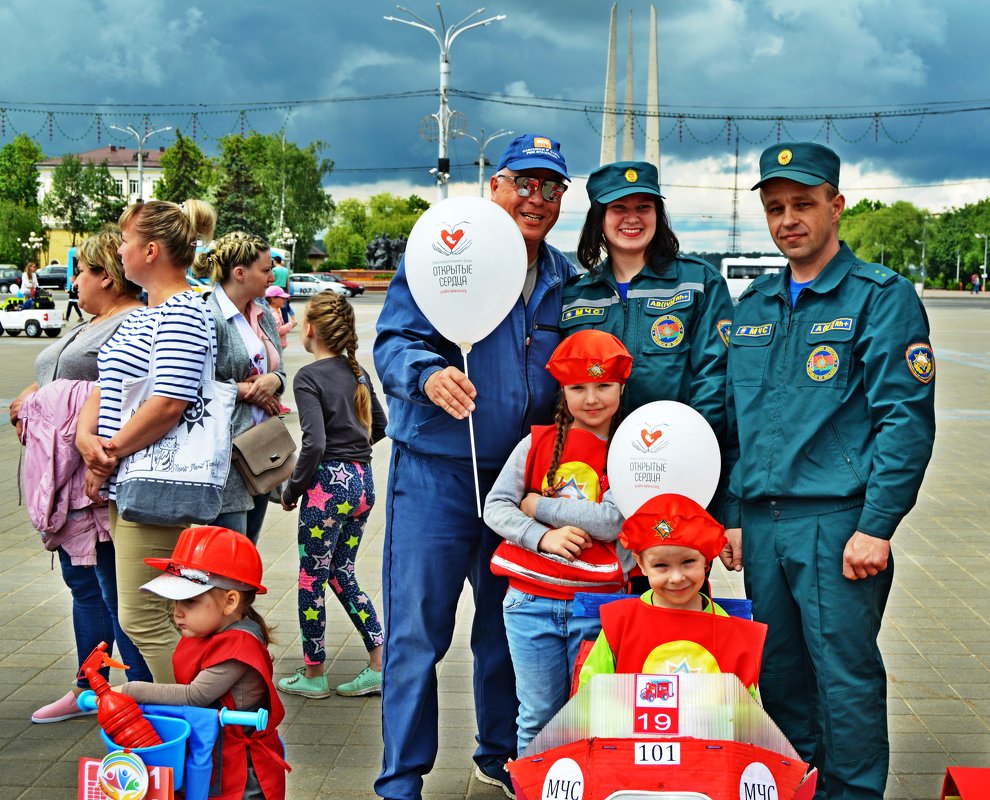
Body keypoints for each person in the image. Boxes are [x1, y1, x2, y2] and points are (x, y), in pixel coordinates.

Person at [723, 142, 936, 799]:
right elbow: (737, 422)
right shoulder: (753, 305)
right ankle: (795, 787)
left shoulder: (881, 298)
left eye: (804, 204)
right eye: (775, 208)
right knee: (781, 676)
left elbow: (905, 420)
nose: (789, 219)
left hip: (836, 525)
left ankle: (853, 792)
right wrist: (732, 517)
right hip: (761, 528)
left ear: (836, 206)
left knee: (843, 679)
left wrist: (877, 525)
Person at [373, 133, 576, 800]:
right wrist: (426, 375)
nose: (535, 199)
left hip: (520, 491)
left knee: (506, 629)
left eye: (550, 188)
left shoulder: (566, 282)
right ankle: (401, 777)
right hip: (434, 475)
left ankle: (501, 755)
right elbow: (394, 341)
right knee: (415, 635)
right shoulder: (441, 256)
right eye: (524, 182)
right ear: (495, 186)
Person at [10, 226, 151, 723]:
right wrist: (31, 396)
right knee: (85, 585)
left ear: (108, 278)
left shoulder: (131, 322)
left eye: (83, 273)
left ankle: (140, 698)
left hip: (96, 477)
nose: (75, 283)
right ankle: (90, 686)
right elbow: (61, 375)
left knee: (117, 593)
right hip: (69, 478)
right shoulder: (96, 320)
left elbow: (121, 393)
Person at [76, 198, 218, 683]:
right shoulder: (143, 315)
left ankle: (199, 712)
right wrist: (84, 437)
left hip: (157, 481)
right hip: (133, 478)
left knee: (146, 618)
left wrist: (106, 454)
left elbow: (169, 404)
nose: (120, 247)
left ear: (152, 250)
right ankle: (191, 720)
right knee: (148, 614)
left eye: (126, 240)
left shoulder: (182, 313)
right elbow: (106, 383)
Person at [483, 329, 630, 755]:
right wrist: (542, 537)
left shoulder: (630, 451)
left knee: (590, 719)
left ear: (621, 387)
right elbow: (496, 507)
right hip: (529, 606)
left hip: (597, 608)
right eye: (578, 387)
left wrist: (538, 505)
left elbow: (611, 520)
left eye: (604, 386)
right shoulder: (536, 443)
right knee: (537, 718)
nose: (592, 398)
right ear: (562, 391)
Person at [120, 525, 288, 800]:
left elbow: (195, 695)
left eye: (190, 602)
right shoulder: (211, 630)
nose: (178, 613)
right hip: (215, 753)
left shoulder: (239, 645)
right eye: (175, 603)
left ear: (230, 601)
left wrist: (129, 691)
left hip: (242, 773)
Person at [277, 291, 387, 699]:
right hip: (363, 481)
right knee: (342, 572)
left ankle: (314, 673)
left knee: (311, 579)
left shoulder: (308, 377)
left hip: (329, 487)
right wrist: (356, 448)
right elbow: (382, 425)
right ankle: (379, 661)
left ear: (308, 329)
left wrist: (293, 489)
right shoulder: (358, 373)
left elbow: (314, 443)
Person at [564, 161, 734, 427]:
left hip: (677, 449)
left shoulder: (699, 282)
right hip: (596, 456)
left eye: (643, 207)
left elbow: (714, 376)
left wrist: (693, 440)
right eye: (619, 207)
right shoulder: (575, 295)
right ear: (600, 218)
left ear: (657, 214)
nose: (632, 218)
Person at [577, 494, 765, 697]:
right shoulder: (620, 625)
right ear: (641, 564)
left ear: (705, 560)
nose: (676, 577)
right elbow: (591, 693)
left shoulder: (729, 631)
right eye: (661, 565)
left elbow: (746, 712)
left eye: (688, 562)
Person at [193, 232, 286, 543]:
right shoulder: (208, 316)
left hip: (260, 452)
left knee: (247, 551)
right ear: (239, 273)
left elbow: (278, 369)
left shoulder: (263, 315)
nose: (272, 276)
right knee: (227, 558)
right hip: (225, 458)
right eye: (265, 269)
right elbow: (194, 387)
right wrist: (244, 391)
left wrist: (276, 381)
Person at [271, 255, 294, 325]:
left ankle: (276, 323)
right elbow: (288, 283)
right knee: (284, 308)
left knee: (274, 308)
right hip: (283, 290)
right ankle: (286, 324)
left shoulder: (274, 270)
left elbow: (271, 280)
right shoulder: (285, 270)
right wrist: (288, 293)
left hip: (275, 290)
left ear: (274, 261)